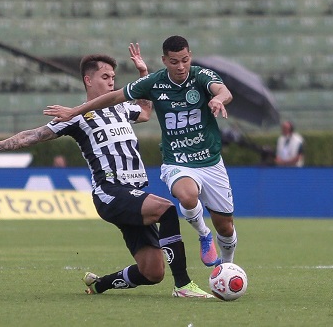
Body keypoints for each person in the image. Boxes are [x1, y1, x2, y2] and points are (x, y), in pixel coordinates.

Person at [0, 50, 212, 298]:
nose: (112, 81)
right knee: (167, 209)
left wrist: (143, 73)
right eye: (105, 76)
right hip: (109, 192)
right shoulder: (77, 116)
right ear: (88, 80)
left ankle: (99, 284)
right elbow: (34, 135)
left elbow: (146, 112)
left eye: (113, 76)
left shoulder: (122, 108)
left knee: (152, 272)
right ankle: (183, 285)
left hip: (133, 193)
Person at [44, 36, 237, 268]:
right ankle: (204, 235)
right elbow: (114, 97)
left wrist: (218, 99)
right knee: (186, 195)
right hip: (177, 160)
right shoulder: (155, 82)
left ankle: (227, 267)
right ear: (165, 60)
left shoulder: (201, 76)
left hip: (210, 161)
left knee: (225, 226)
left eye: (185, 60)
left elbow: (224, 91)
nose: (181, 66)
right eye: (174, 61)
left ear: (190, 57)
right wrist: (75, 111)